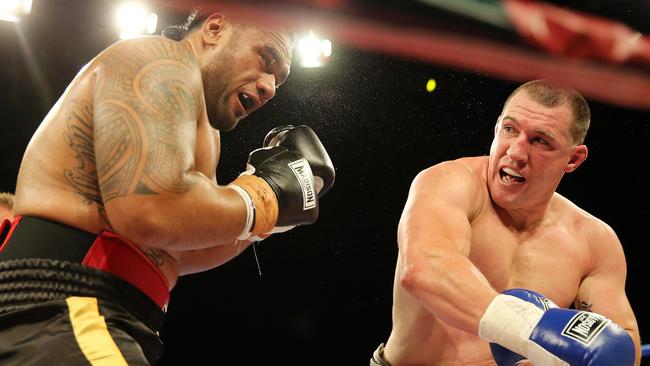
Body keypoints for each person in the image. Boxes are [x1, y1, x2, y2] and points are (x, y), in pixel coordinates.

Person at [0, 8, 334, 366]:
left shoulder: (208, 133)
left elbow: (176, 246)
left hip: (105, 314)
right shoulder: (160, 60)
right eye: (266, 59)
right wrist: (264, 195)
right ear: (215, 28)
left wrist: (271, 218)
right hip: (65, 304)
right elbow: (151, 213)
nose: (269, 86)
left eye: (279, 81)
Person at [372, 80, 640, 366]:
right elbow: (424, 270)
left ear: (573, 159)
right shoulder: (450, 183)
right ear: (497, 126)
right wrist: (531, 332)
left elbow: (621, 345)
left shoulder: (592, 241)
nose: (515, 152)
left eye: (540, 140)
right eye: (510, 129)